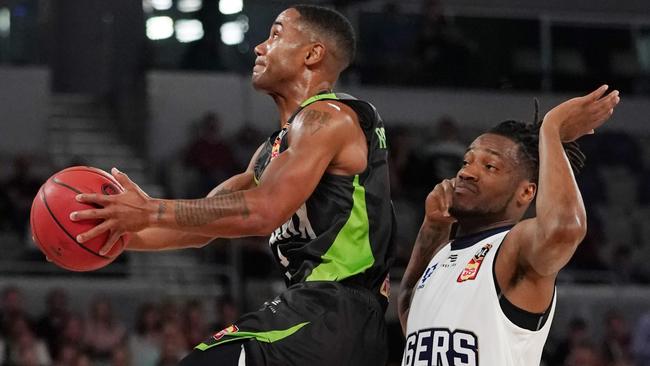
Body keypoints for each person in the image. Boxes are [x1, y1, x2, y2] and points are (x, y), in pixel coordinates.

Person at [70, 4, 394, 366]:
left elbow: (263, 211)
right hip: (329, 318)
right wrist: (107, 233)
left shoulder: (329, 118)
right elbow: (201, 227)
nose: (259, 47)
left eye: (275, 34)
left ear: (313, 54)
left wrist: (149, 210)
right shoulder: (271, 152)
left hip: (334, 309)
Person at [398, 85, 620, 365]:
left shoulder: (513, 246)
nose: (466, 172)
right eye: (467, 161)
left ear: (526, 192)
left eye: (489, 166)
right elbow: (411, 314)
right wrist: (432, 227)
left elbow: (565, 229)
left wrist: (550, 130)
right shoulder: (444, 252)